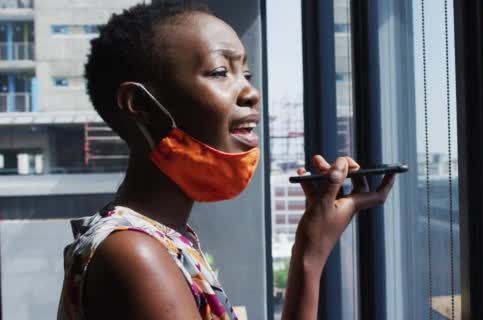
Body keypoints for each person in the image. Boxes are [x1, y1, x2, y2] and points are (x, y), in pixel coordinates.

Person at [57, 1, 395, 319]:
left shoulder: (161, 239)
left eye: (245, 74)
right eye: (220, 72)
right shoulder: (135, 255)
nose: (251, 92)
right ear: (140, 106)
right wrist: (309, 255)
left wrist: (310, 247)